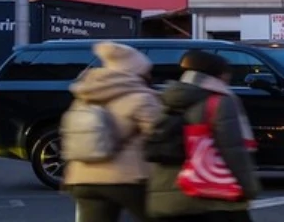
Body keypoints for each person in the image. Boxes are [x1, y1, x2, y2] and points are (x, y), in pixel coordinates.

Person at [146, 48, 261, 219]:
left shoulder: (165, 99)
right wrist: (249, 187)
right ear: (220, 75)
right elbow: (233, 150)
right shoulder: (221, 101)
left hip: (165, 199)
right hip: (212, 196)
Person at [63, 40, 163, 222]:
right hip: (127, 178)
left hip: (81, 178)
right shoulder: (141, 98)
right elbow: (160, 135)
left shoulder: (85, 95)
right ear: (137, 71)